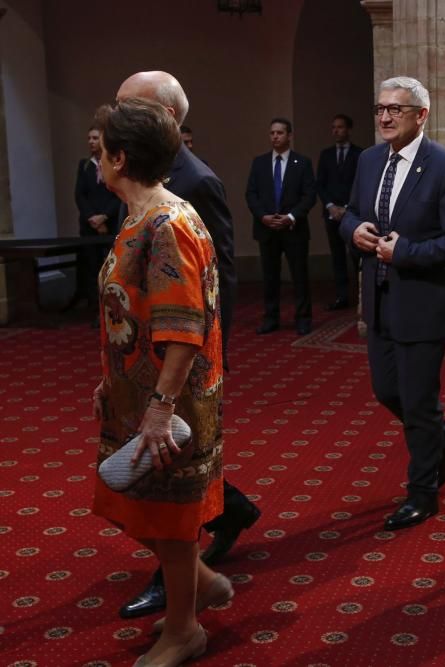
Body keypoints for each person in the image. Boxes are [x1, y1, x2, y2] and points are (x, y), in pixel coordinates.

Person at [114, 71, 259, 622]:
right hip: (145, 348)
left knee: (171, 466)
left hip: (184, 352)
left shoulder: (194, 183)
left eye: (131, 108)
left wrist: (207, 354)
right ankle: (234, 511)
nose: (117, 117)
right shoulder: (137, 173)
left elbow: (215, 280)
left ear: (167, 118)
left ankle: (178, 579)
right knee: (169, 461)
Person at [91, 98, 230, 666]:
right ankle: (203, 584)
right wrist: (110, 381)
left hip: (169, 402)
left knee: (171, 524)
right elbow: (134, 310)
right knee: (128, 504)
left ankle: (184, 630)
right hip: (136, 392)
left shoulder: (168, 224)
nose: (95, 160)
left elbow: (182, 329)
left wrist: (157, 406)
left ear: (120, 158)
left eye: (99, 150)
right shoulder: (139, 215)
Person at [341, 77, 445, 532]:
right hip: (378, 299)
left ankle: (422, 493)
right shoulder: (368, 159)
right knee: (386, 391)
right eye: (380, 108)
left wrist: (406, 253)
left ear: (422, 115)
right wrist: (352, 230)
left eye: (395, 110)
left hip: (425, 302)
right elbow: (353, 213)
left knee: (418, 402)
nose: (384, 117)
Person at [246, 117, 317, 336]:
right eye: (272, 133)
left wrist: (291, 216)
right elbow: (251, 193)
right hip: (267, 229)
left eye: (280, 133)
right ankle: (271, 318)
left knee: (299, 276)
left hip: (293, 229)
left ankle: (303, 319)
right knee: (270, 277)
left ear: (289, 136)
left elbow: (309, 195)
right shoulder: (259, 162)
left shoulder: (302, 163)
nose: (275, 137)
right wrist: (263, 216)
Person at [74, 125, 121, 321]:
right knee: (92, 268)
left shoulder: (113, 163)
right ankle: (95, 311)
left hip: (110, 226)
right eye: (89, 138)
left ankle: (113, 310)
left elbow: (118, 193)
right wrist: (92, 218)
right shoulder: (85, 165)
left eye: (95, 138)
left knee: (111, 269)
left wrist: (105, 217)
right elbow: (79, 195)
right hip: (90, 227)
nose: (91, 142)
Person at [316, 114, 363, 310]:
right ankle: (342, 296)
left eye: (340, 127)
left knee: (356, 256)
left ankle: (361, 296)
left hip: (352, 214)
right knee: (337, 257)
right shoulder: (326, 154)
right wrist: (330, 206)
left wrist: (348, 209)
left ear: (349, 130)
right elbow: (320, 183)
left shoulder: (360, 154)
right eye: (334, 127)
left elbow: (361, 184)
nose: (336, 131)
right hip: (331, 213)